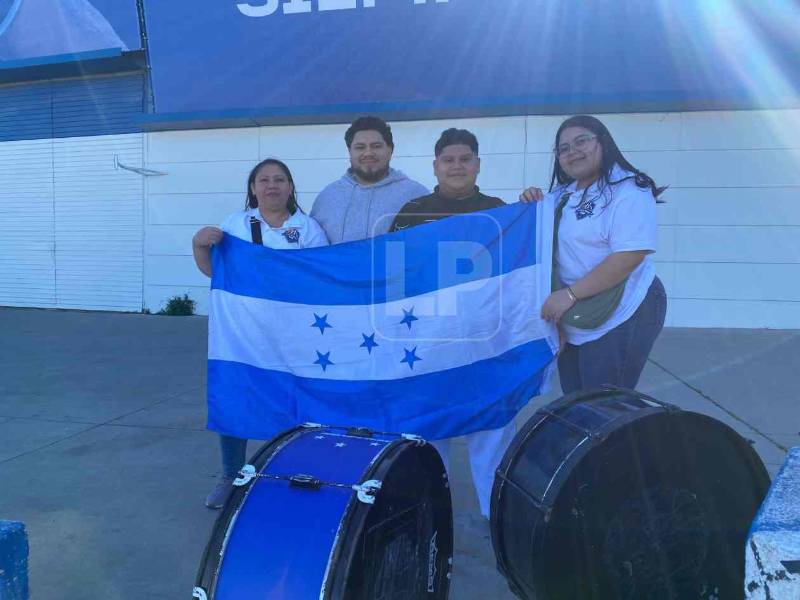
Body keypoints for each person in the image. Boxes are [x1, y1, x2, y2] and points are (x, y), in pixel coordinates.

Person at [389, 128, 515, 520]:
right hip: (430, 345)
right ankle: (429, 523)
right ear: (435, 166)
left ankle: (497, 523)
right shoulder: (411, 212)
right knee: (428, 439)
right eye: (449, 160)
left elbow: (517, 278)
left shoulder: (502, 211)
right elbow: (396, 278)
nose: (457, 166)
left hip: (484, 345)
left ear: (477, 164)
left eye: (465, 159)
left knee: (492, 437)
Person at [192, 158, 329, 508]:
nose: (272, 185)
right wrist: (199, 246)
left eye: (280, 179)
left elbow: (321, 279)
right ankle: (231, 474)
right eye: (264, 180)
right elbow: (216, 273)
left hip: (293, 335)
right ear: (253, 188)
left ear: (290, 187)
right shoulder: (235, 225)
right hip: (244, 333)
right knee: (236, 396)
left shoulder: (308, 229)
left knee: (295, 401)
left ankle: (295, 471)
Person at [539, 115, 667, 393]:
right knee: (576, 403)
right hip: (574, 312)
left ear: (603, 142)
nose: (573, 151)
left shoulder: (629, 189)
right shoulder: (561, 196)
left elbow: (629, 256)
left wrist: (569, 295)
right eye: (564, 148)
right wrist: (530, 202)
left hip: (623, 309)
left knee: (605, 407)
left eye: (581, 141)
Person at [310, 116, 429, 244]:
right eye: (360, 147)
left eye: (376, 146)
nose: (368, 153)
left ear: (390, 150)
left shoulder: (416, 195)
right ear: (350, 151)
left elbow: (428, 247)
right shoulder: (327, 197)